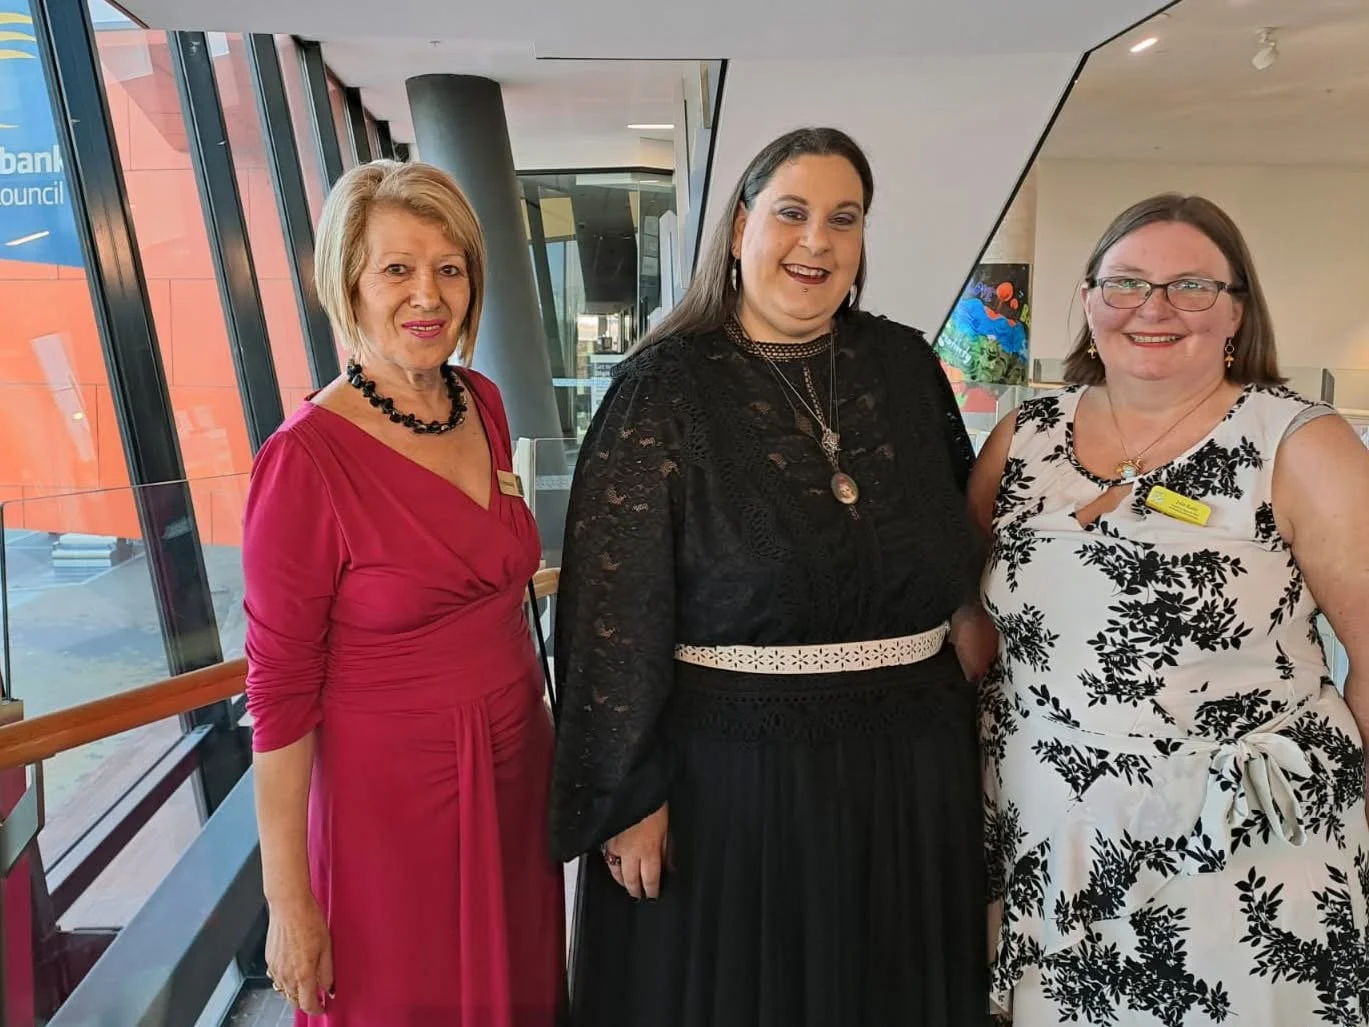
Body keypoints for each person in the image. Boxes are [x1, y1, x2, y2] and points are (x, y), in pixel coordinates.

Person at [549, 126, 993, 1026]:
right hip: (735, 782)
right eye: (791, 213)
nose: (816, 241)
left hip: (909, 766)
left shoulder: (906, 366)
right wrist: (628, 796)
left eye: (844, 218)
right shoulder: (662, 388)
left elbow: (950, 533)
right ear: (741, 224)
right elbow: (613, 607)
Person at [970, 193, 1369, 1025]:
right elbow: (969, 616)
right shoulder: (1023, 437)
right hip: (1049, 830)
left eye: (1190, 285)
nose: (1152, 308)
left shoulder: (1297, 442)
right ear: (1087, 303)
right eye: (1124, 284)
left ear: (1235, 312)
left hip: (1241, 840)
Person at [242, 160, 563, 1026]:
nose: (428, 295)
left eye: (448, 268)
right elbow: (276, 692)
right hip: (388, 799)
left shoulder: (482, 402)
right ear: (348, 284)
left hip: (514, 767)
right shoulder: (303, 461)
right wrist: (289, 900)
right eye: (397, 269)